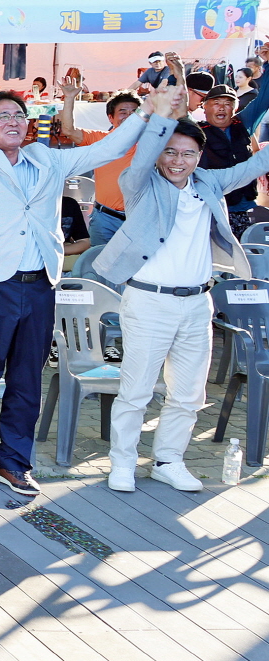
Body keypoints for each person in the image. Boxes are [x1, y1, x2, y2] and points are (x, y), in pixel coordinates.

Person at [0, 75, 152, 497]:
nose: (13, 121)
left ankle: (14, 463)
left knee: (27, 379)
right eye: (2, 116)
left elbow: (110, 148)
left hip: (38, 286)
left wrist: (146, 109)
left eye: (19, 114)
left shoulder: (48, 160)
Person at [95, 105, 269, 492]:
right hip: (148, 302)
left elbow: (255, 165)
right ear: (158, 152)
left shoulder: (208, 183)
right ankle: (121, 462)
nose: (179, 160)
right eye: (171, 151)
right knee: (137, 388)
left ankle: (168, 460)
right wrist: (163, 116)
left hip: (197, 304)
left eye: (188, 153)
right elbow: (141, 160)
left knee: (190, 392)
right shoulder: (140, 182)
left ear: (199, 156)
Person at [58, 78, 142, 246]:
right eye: (123, 112)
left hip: (139, 219)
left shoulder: (151, 143)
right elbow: (68, 130)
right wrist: (69, 98)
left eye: (134, 112)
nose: (129, 116)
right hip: (105, 219)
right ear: (111, 118)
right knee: (98, 267)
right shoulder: (100, 139)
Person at [195, 83, 269, 237]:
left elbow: (264, 98)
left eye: (228, 103)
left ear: (235, 108)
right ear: (204, 107)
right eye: (216, 103)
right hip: (212, 209)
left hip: (245, 209)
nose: (222, 108)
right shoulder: (195, 132)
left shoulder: (243, 124)